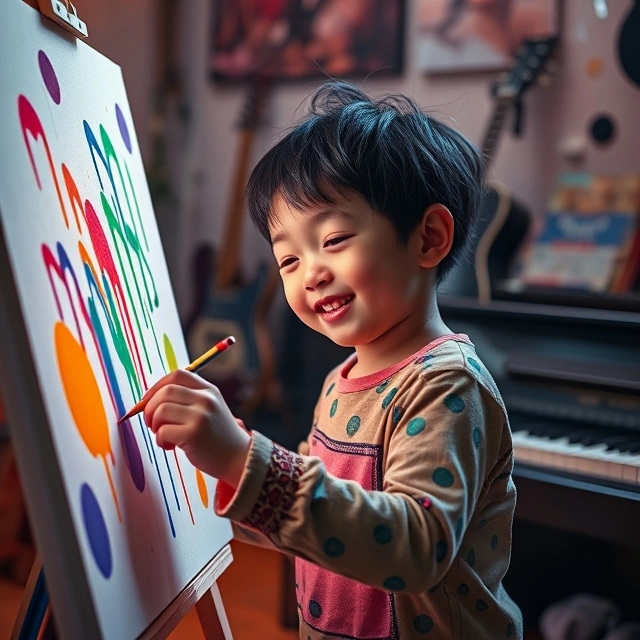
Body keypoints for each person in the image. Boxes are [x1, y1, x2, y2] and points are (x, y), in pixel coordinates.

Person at [142, 81, 523, 639]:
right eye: (288, 258)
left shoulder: (447, 386)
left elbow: (415, 548)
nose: (311, 272)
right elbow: (318, 522)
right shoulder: (341, 381)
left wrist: (244, 459)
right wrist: (217, 473)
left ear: (428, 238)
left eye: (336, 238)